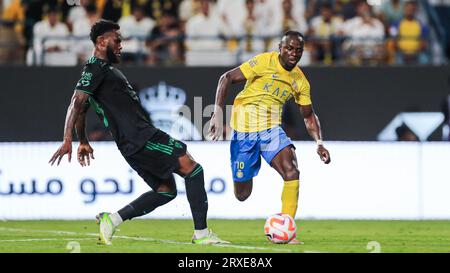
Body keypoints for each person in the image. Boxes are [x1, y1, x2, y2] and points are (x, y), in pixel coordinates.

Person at [48, 19, 228, 246]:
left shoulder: (103, 71)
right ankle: (201, 234)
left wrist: (83, 140)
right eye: (117, 40)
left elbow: (81, 108)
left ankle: (111, 220)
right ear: (102, 41)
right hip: (141, 137)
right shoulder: (95, 68)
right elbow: (76, 101)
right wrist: (68, 139)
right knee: (193, 170)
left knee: (165, 191)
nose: (121, 45)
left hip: (132, 142)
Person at [208, 30, 331, 244]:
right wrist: (217, 112)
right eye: (289, 48)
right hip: (244, 133)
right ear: (280, 48)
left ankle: (287, 229)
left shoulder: (300, 81)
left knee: (292, 171)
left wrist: (319, 142)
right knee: (242, 195)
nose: (294, 53)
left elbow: (309, 115)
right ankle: (244, 173)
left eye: (298, 50)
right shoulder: (264, 61)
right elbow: (226, 77)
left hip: (271, 130)